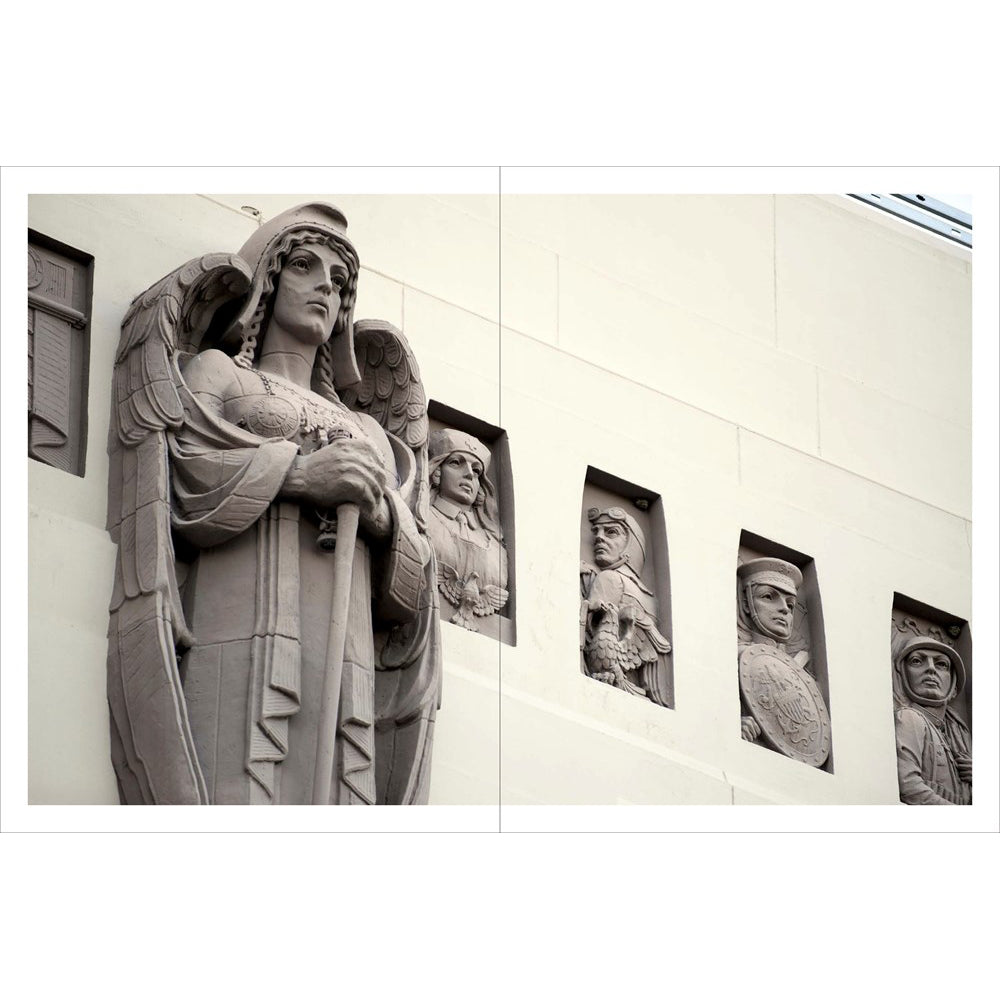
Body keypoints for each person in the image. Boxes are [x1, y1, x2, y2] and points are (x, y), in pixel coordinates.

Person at [106, 203, 440, 805]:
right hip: (241, 616)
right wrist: (301, 474)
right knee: (239, 768)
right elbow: (182, 473)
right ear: (268, 279)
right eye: (305, 266)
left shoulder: (366, 430)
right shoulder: (220, 374)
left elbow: (417, 576)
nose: (325, 288)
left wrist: (382, 517)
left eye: (339, 281)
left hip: (345, 646)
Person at [579, 507, 671, 705]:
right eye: (596, 531)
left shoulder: (609, 578)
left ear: (632, 543)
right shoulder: (651, 599)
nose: (599, 537)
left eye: (611, 532)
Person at [424, 429, 508, 631]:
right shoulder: (423, 519)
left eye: (476, 470)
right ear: (437, 471)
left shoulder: (494, 544)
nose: (470, 473)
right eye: (456, 462)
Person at [891, 632, 971, 804]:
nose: (931, 668)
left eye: (941, 664)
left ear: (953, 684)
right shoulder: (910, 718)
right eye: (917, 661)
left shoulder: (956, 733)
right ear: (903, 674)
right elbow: (909, 786)